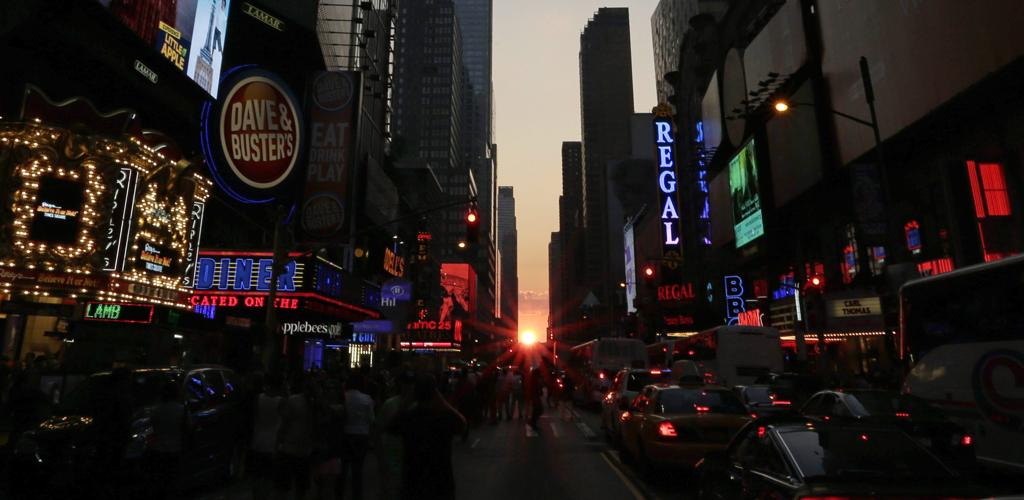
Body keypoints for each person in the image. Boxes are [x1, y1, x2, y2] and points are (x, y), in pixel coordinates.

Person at [388, 374, 467, 500]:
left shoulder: (409, 418)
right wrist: (443, 402)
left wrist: (405, 403)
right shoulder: (444, 418)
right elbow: (462, 424)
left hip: (413, 480)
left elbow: (391, 426)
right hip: (441, 481)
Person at [275, 373, 317, 500]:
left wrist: (278, 443)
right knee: (301, 487)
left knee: (285, 486)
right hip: (305, 450)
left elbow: (284, 423)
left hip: (290, 447)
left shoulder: (294, 401)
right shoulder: (317, 404)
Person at [377, 370, 415, 500]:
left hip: (411, 455)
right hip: (392, 453)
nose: (408, 387)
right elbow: (379, 429)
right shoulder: (390, 404)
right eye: (406, 384)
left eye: (410, 384)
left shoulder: (418, 405)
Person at [148, 380, 187, 500]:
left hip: (158, 449)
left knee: (161, 481)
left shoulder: (156, 410)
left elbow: (153, 428)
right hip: (175, 449)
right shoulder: (182, 410)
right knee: (173, 481)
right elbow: (187, 428)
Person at [339, 373, 374, 500]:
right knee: (358, 469)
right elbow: (371, 419)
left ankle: (339, 493)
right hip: (361, 435)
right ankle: (357, 494)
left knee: (342, 468)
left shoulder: (343, 397)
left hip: (345, 433)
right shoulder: (367, 399)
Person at [251, 372, 286, 500]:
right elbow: (283, 423)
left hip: (257, 441)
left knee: (257, 475)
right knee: (268, 477)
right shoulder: (280, 401)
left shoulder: (258, 398)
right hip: (272, 443)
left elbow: (254, 419)